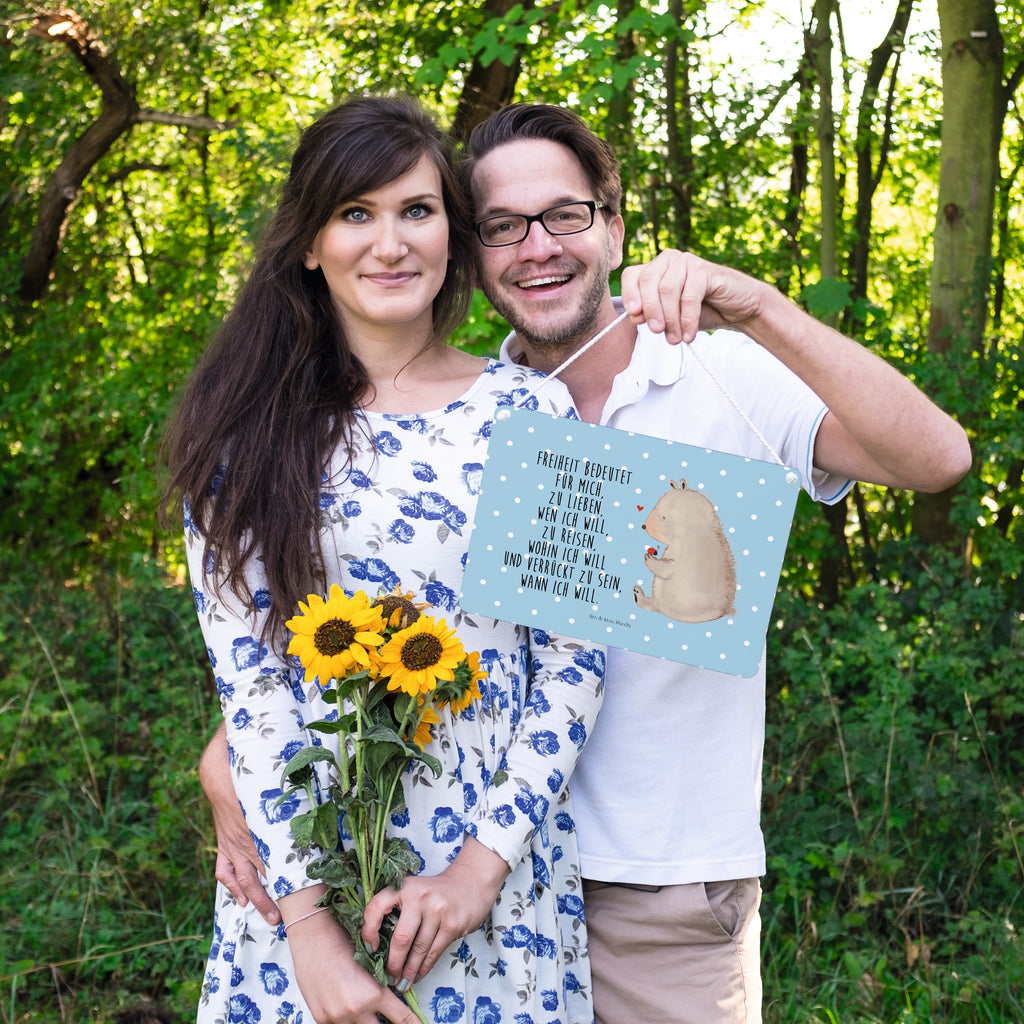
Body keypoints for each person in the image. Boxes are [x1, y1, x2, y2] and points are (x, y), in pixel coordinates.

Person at [202, 102, 972, 1023]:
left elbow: (938, 461)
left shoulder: (707, 373)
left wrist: (760, 306)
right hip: (425, 875)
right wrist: (234, 770)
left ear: (612, 225)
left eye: (564, 215)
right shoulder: (457, 416)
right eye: (502, 227)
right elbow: (344, 630)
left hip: (651, 887)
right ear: (474, 249)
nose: (537, 247)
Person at [163, 96, 608, 1024]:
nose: (391, 243)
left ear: (452, 230)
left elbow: (573, 663)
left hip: (492, 887)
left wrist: (478, 874)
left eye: (417, 210)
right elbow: (253, 691)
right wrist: (311, 938)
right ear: (309, 244)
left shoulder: (534, 416)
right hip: (302, 886)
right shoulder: (243, 438)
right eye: (355, 214)